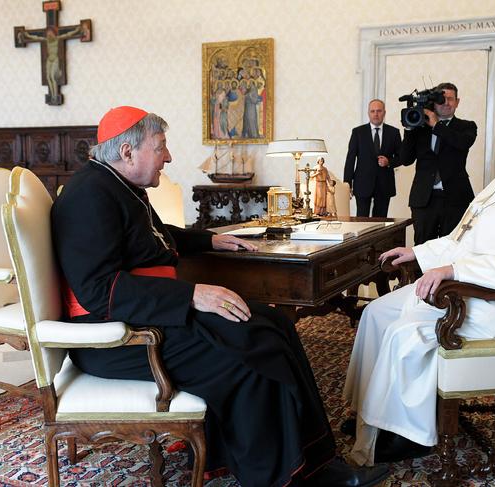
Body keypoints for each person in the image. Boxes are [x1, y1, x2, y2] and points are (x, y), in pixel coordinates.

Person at [51, 106, 389, 487]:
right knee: (253, 352)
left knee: (275, 324)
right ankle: (282, 476)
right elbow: (99, 290)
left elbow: (157, 239)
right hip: (116, 339)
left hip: (144, 314)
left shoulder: (119, 186)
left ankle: (317, 459)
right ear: (127, 152)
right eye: (160, 146)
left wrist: (210, 239)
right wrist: (191, 295)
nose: (169, 156)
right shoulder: (88, 196)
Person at [342, 106, 495, 466]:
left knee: (405, 333)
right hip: (476, 283)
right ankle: (371, 413)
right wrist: (417, 251)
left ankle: (404, 434)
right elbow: (465, 239)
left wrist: (452, 270)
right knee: (377, 313)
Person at [400, 82, 477, 245]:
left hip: (455, 198)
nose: (446, 103)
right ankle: (421, 273)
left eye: (450, 99)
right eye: (442, 99)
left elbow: (461, 143)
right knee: (422, 247)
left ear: (457, 102)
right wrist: (408, 129)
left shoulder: (466, 127)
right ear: (434, 102)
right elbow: (405, 159)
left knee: (451, 247)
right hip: (424, 199)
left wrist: (436, 124)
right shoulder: (419, 127)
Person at [344, 99, 402, 217]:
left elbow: (402, 157)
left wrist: (389, 161)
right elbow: (350, 159)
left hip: (384, 184)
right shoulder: (358, 132)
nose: (376, 114)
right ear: (368, 113)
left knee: (380, 222)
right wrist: (347, 183)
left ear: (384, 113)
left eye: (379, 111)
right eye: (373, 111)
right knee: (361, 221)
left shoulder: (393, 132)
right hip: (362, 183)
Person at [21, 25, 83, 103]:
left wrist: (77, 30)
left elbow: (68, 34)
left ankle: (54, 95)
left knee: (53, 78)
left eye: (50, 33)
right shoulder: (46, 40)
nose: (49, 35)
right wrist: (27, 35)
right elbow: (36, 38)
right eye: (48, 34)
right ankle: (52, 95)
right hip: (49, 60)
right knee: (48, 77)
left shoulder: (57, 39)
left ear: (54, 33)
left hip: (55, 60)